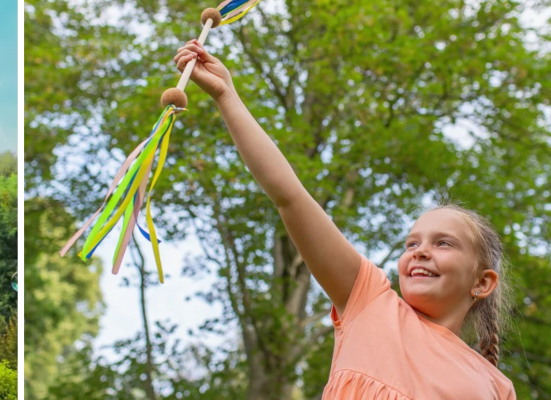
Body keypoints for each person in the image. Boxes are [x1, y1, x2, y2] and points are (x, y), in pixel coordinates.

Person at [173, 40, 516, 399]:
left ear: (482, 282)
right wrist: (227, 95)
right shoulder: (369, 301)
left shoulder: (495, 386)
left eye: (443, 243)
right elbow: (289, 195)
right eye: (412, 243)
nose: (420, 251)